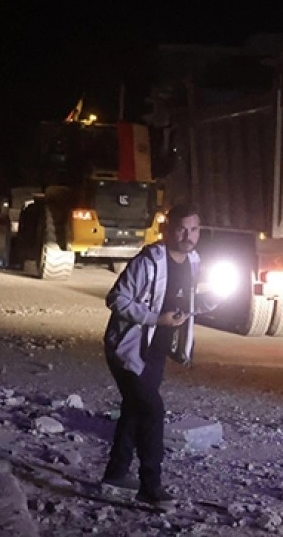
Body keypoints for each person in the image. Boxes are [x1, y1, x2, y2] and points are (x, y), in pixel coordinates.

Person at [100, 203, 217, 508]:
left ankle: (115, 474)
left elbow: (181, 305)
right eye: (181, 229)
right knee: (152, 411)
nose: (188, 236)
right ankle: (150, 485)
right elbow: (116, 299)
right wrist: (155, 319)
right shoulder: (148, 262)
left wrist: (206, 303)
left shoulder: (193, 261)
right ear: (167, 229)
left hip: (157, 351)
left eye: (194, 229)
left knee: (135, 410)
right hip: (128, 349)